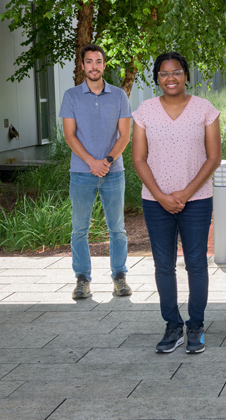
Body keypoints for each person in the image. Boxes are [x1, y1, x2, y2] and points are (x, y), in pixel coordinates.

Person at [131, 52, 222, 354]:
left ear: (186, 75)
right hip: (155, 201)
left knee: (196, 263)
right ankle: (172, 325)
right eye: (164, 73)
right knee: (163, 265)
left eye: (177, 72)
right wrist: (160, 195)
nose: (171, 78)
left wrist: (185, 193)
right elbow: (139, 159)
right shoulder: (144, 111)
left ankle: (195, 324)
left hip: (196, 200)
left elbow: (214, 157)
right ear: (157, 78)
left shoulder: (204, 109)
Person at [59, 44, 132, 300]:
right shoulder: (71, 96)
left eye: (98, 61)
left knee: (117, 229)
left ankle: (119, 277)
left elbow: (125, 135)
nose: (94, 66)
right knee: (79, 229)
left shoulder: (119, 95)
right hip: (81, 172)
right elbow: (69, 136)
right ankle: (82, 280)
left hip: (113, 172)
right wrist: (91, 162)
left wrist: (107, 161)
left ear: (104, 65)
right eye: (89, 61)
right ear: (82, 66)